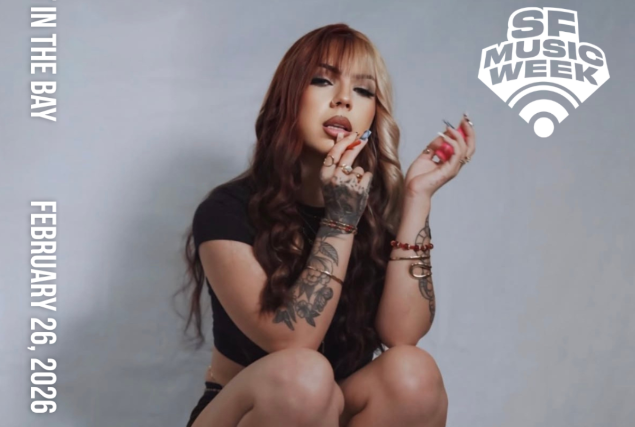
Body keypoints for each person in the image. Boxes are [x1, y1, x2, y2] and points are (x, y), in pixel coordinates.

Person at [176, 23, 476, 427]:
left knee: (413, 374)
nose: (344, 99)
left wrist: (417, 197)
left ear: (374, 114)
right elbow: (292, 343)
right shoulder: (226, 211)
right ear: (288, 97)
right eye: (322, 80)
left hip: (330, 410)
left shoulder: (370, 212)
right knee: (304, 378)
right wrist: (340, 220)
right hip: (247, 412)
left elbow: (402, 335)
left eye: (364, 90)